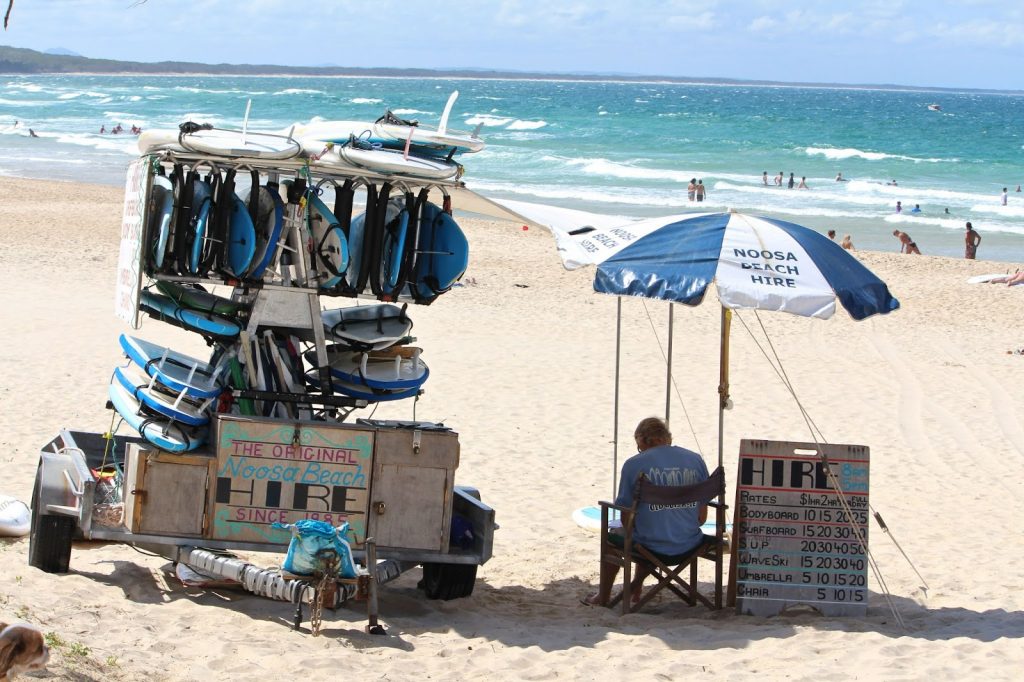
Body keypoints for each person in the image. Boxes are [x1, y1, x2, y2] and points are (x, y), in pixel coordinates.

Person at [583, 417, 709, 606]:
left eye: (638, 445)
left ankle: (603, 597)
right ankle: (636, 587)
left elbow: (626, 515)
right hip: (690, 543)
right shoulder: (695, 459)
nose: (639, 450)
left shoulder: (634, 464)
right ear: (666, 437)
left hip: (650, 545)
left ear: (643, 440)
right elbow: (701, 517)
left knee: (622, 535)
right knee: (647, 525)